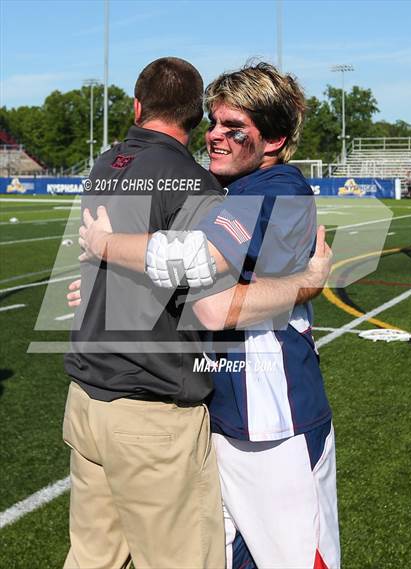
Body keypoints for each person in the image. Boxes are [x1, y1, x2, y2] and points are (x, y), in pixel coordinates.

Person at [71, 62, 337, 569]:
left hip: (275, 421)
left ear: (276, 138)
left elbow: (205, 287)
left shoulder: (276, 188)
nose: (214, 136)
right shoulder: (233, 188)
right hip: (226, 413)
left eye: (234, 129)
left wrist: (105, 246)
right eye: (213, 122)